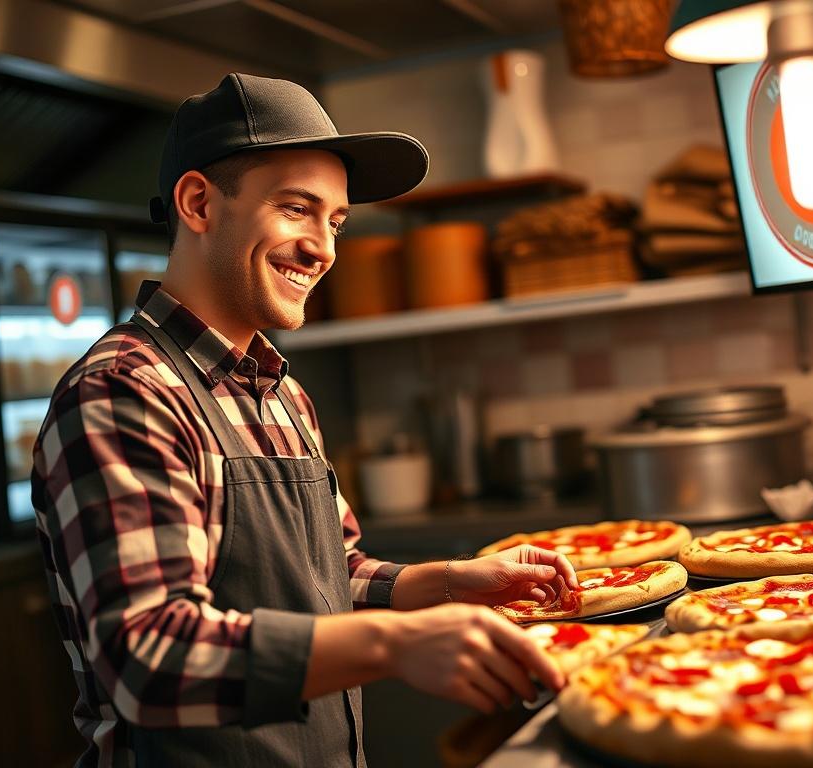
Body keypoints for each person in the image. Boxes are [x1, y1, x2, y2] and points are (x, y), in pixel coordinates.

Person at [31, 73, 578, 768]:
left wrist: (452, 580)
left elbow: (327, 576)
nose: (324, 248)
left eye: (336, 221)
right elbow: (150, 657)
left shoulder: (282, 392)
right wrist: (394, 645)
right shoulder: (122, 393)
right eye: (297, 210)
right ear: (199, 202)